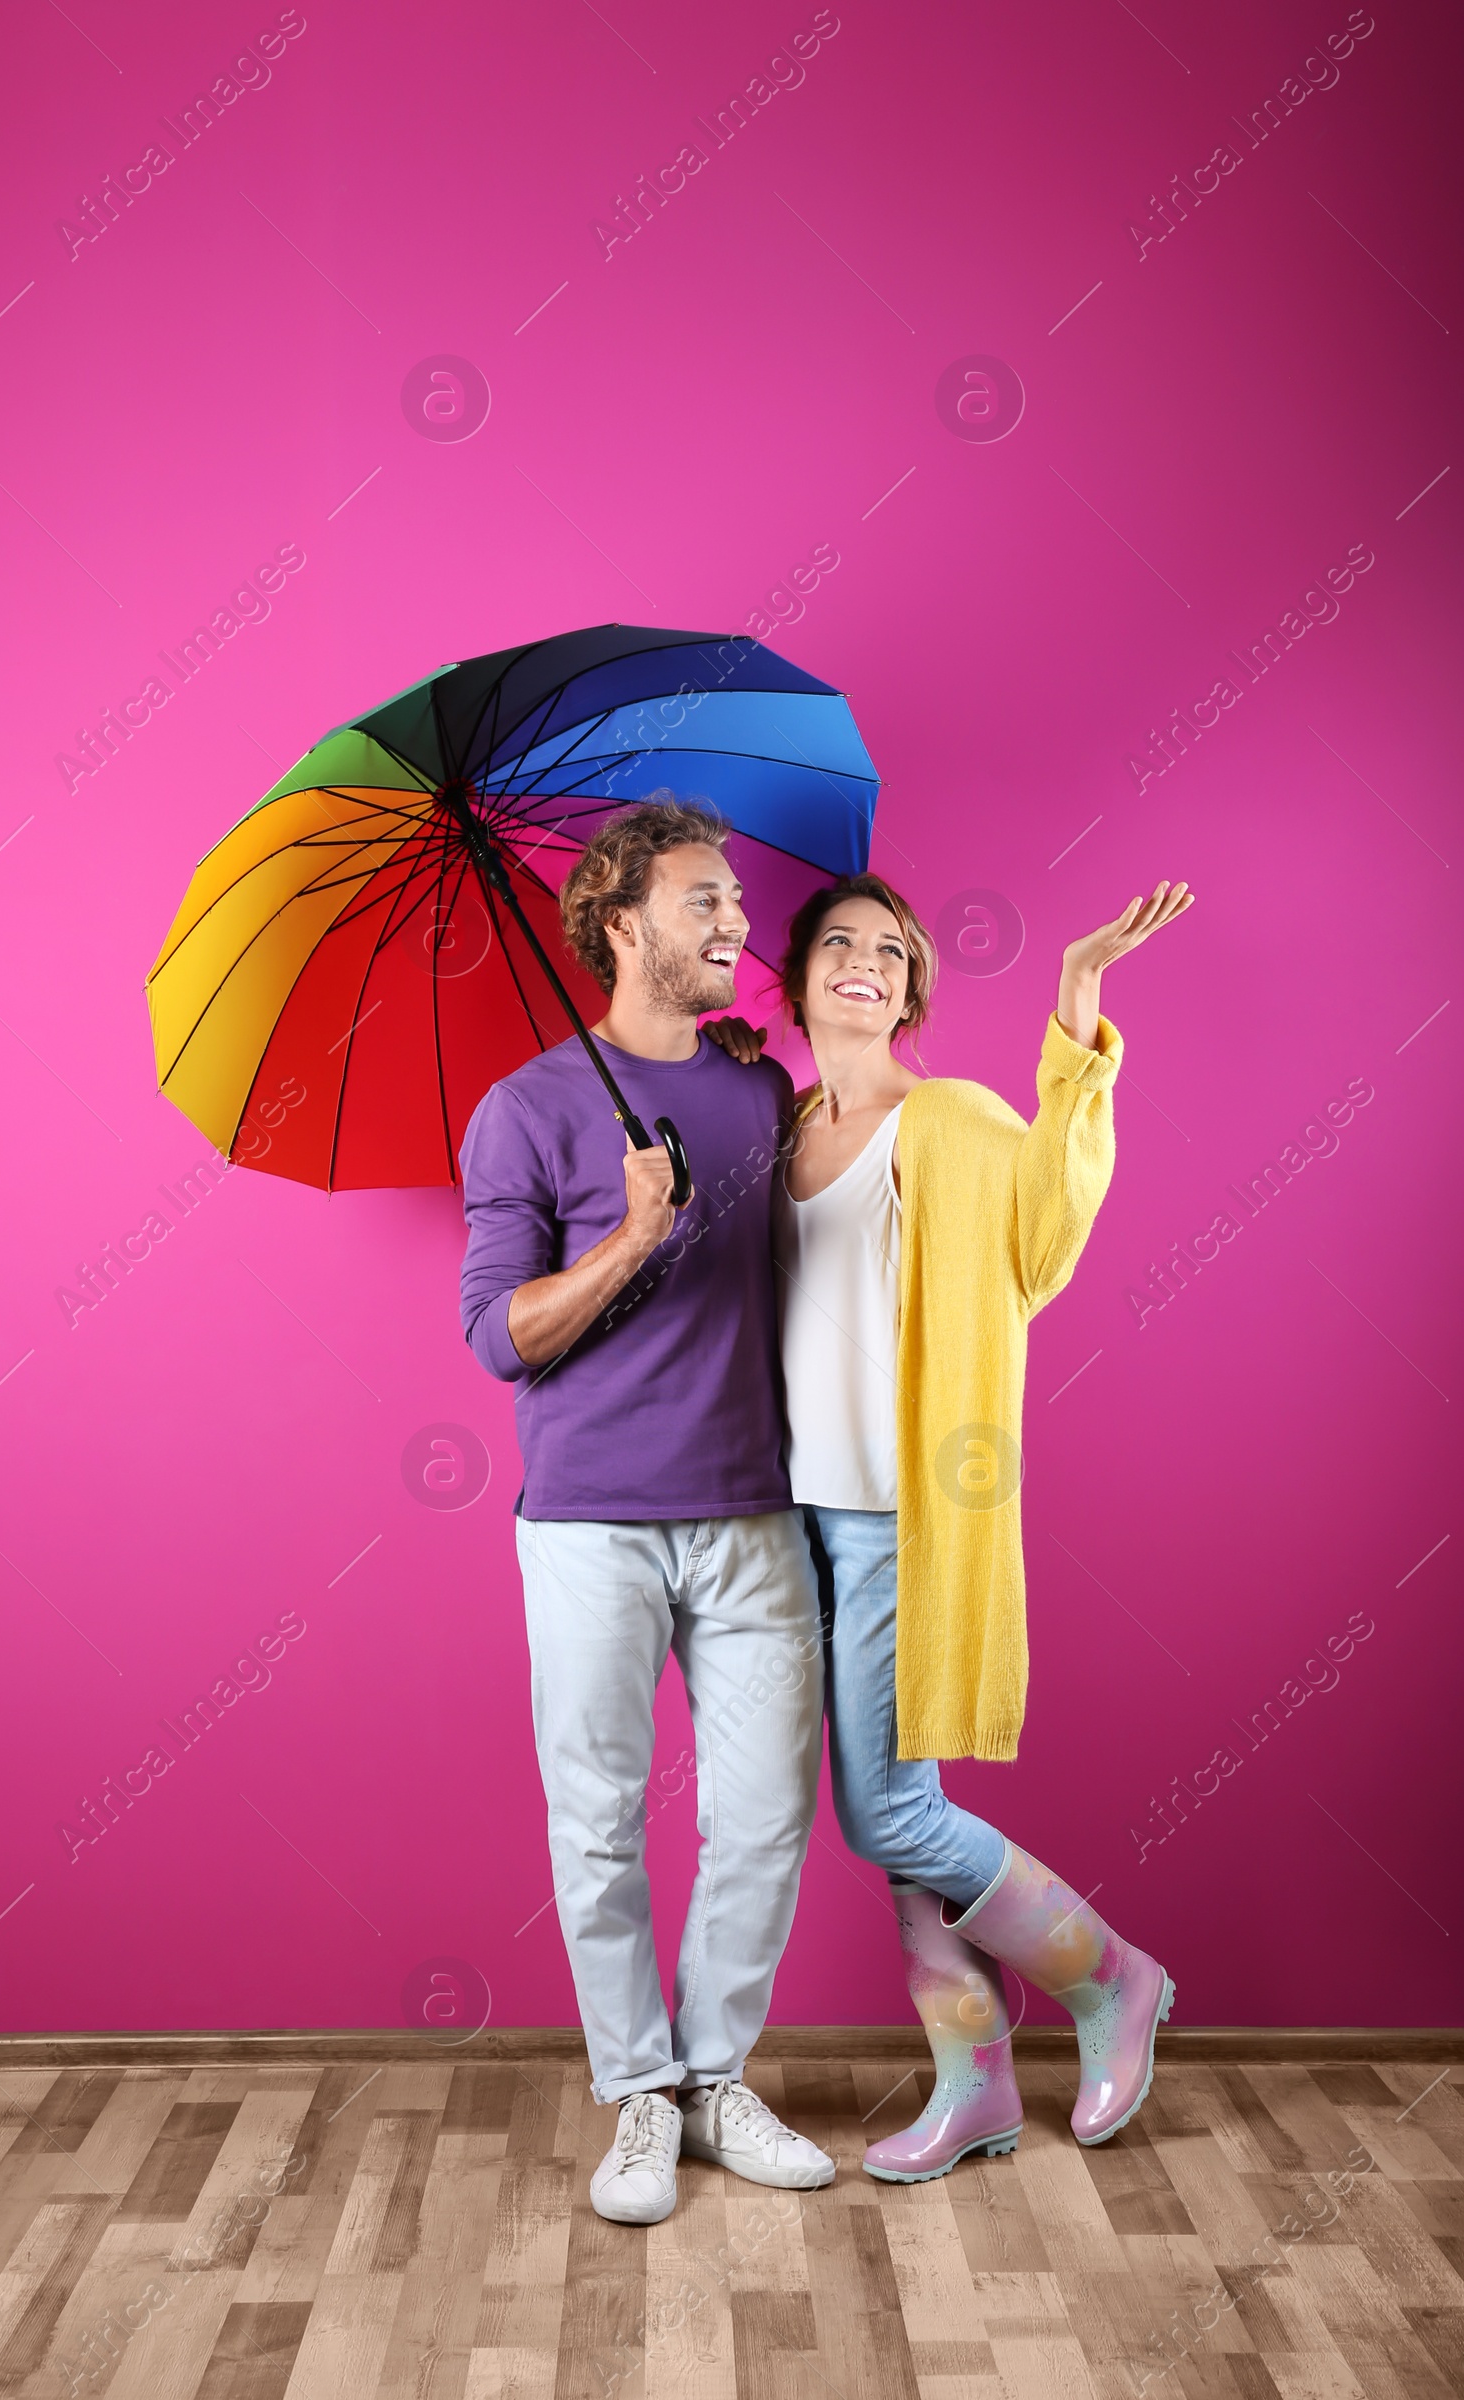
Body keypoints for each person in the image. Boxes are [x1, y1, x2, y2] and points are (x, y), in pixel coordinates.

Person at [708, 868, 1193, 2179]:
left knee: (889, 1818)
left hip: (893, 1518)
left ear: (911, 990)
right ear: (798, 978)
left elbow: (1046, 1227)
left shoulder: (951, 1119)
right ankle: (975, 2082)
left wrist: (1079, 1012)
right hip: (787, 1519)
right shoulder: (782, 1125)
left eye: (890, 953)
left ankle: (1111, 1980)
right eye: (840, 948)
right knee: (893, 1808)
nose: (864, 964)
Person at [457, 798, 836, 2226]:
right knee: (599, 1822)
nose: (736, 921)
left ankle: (714, 2077)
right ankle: (636, 2093)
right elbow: (501, 1337)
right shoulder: (528, 1109)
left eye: (734, 899)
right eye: (705, 901)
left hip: (753, 1514)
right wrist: (629, 1236)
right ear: (623, 926)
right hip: (591, 1527)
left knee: (762, 1818)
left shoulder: (757, 1088)